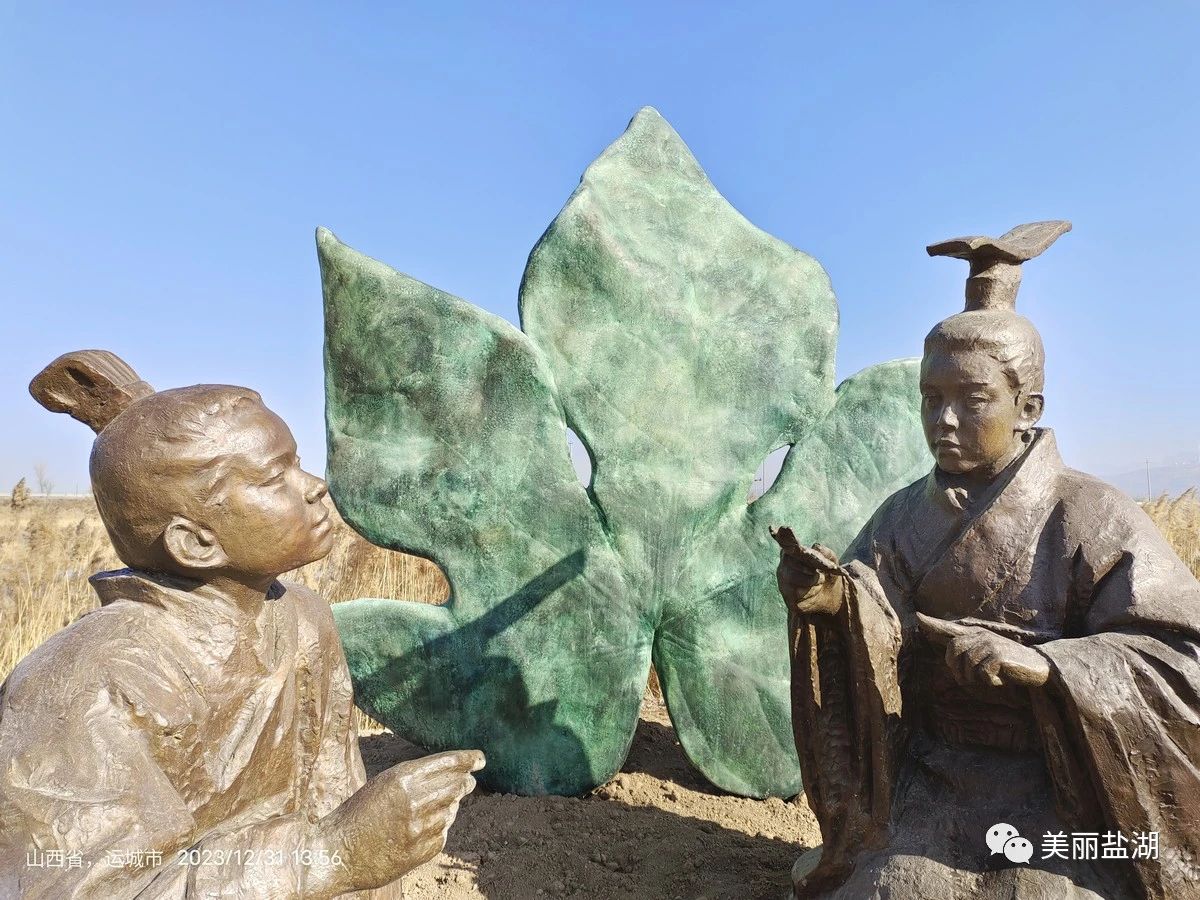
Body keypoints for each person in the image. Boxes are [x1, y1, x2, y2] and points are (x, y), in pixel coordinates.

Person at [776, 222, 1200, 899]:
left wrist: (1051, 668)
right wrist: (832, 602)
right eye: (931, 398)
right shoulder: (903, 515)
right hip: (931, 778)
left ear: (1028, 407)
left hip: (1058, 787)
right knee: (891, 890)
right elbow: (873, 614)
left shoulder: (1091, 514)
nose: (943, 419)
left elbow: (1179, 658)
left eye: (971, 400)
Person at [0, 350, 484, 899]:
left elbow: (333, 794)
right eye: (275, 477)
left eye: (298, 462)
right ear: (195, 542)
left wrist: (360, 855)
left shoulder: (304, 619)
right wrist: (326, 855)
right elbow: (77, 885)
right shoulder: (83, 683)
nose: (315, 485)